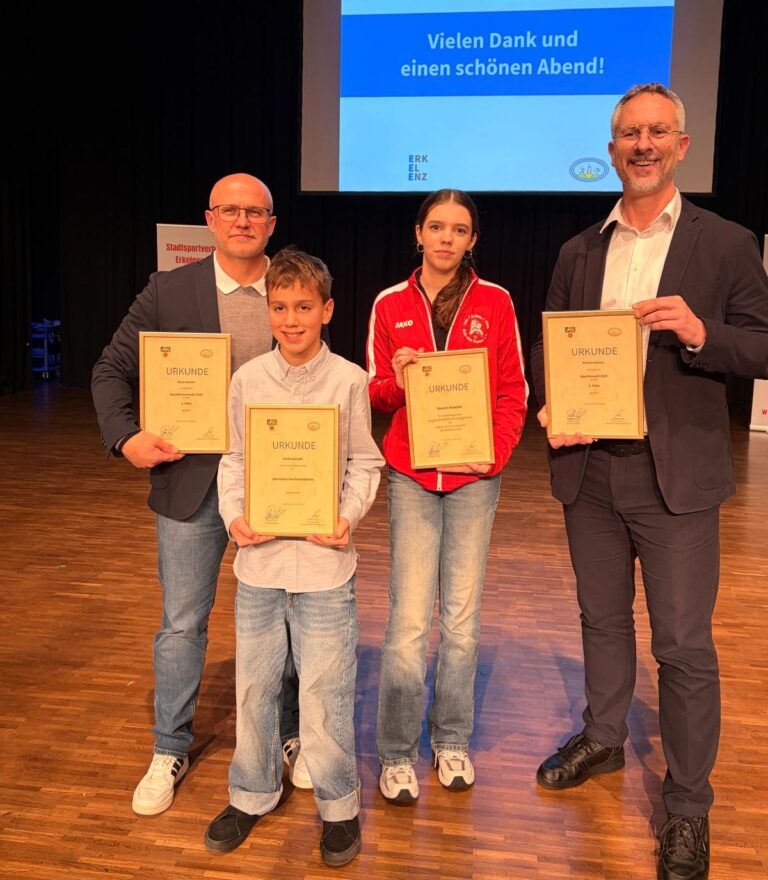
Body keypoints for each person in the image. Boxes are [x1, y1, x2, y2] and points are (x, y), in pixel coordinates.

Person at [530, 83, 768, 880]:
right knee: (601, 619)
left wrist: (702, 333)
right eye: (629, 133)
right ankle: (604, 738)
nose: (642, 145)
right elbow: (551, 346)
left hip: (677, 478)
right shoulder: (579, 250)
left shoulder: (725, 243)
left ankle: (688, 805)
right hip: (590, 471)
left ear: (682, 145)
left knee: (684, 646)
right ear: (611, 149)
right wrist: (551, 401)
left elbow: (764, 346)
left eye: (657, 132)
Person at [91, 173, 308, 816]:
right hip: (191, 484)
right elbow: (110, 369)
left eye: (255, 212)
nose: (243, 221)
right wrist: (124, 437)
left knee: (287, 617)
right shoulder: (169, 290)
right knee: (183, 622)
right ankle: (170, 746)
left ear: (271, 223)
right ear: (210, 220)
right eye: (230, 210)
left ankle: (290, 732)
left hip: (276, 483)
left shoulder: (292, 287)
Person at [204, 247, 383, 867]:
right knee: (254, 686)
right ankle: (251, 793)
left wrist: (346, 517)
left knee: (327, 691)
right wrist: (234, 517)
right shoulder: (247, 379)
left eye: (303, 307)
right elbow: (233, 460)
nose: (290, 319)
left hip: (325, 568)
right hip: (259, 565)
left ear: (327, 310)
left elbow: (365, 462)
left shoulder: (350, 380)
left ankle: (338, 806)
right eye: (279, 307)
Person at [367, 188, 528, 803]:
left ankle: (452, 738)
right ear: (418, 232)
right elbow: (376, 394)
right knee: (409, 621)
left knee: (461, 620)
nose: (446, 238)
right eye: (436, 226)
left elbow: (512, 390)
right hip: (412, 476)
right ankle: (396, 752)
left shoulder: (496, 301)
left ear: (472, 240)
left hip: (473, 479)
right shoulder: (390, 303)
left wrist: (496, 455)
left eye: (459, 229)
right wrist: (398, 378)